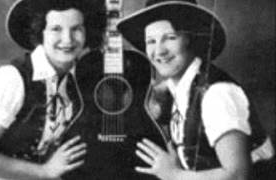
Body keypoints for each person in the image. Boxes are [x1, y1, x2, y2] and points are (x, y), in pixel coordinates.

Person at [117, 0, 274, 179]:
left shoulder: (217, 95)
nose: (158, 51)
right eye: (151, 41)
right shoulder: (178, 85)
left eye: (170, 38)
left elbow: (238, 175)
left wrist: (174, 174)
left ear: (190, 39)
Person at [0, 0, 105, 179]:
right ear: (40, 32)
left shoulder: (74, 80)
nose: (68, 39)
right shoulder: (12, 79)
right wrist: (44, 171)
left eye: (76, 29)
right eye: (56, 29)